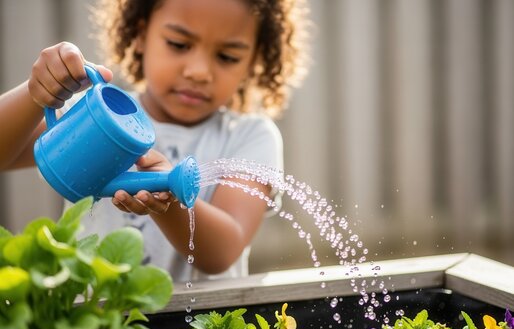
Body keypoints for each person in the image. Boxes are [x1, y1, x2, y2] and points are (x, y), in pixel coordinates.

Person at [0, 0, 310, 282]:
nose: (199, 72)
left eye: (227, 57)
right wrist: (35, 93)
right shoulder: (94, 115)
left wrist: (172, 198)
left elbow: (221, 252)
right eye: (178, 44)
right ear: (140, 34)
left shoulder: (250, 136)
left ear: (253, 61)